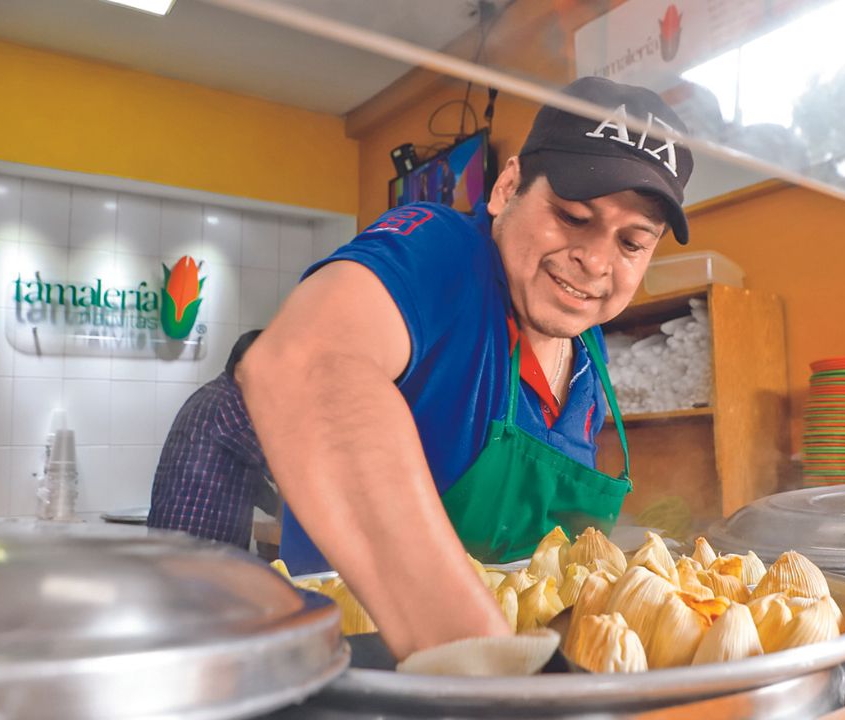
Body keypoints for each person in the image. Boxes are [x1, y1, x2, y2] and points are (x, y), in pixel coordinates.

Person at [238, 76, 694, 665]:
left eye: (632, 243)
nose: (597, 261)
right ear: (506, 187)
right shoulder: (440, 253)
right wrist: (481, 661)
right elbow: (304, 363)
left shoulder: (590, 352)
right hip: (364, 678)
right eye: (574, 216)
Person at [147, 330, 279, 548]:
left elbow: (250, 477)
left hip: (184, 547)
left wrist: (277, 509)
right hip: (193, 549)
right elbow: (276, 464)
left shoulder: (215, 396)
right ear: (241, 372)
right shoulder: (228, 404)